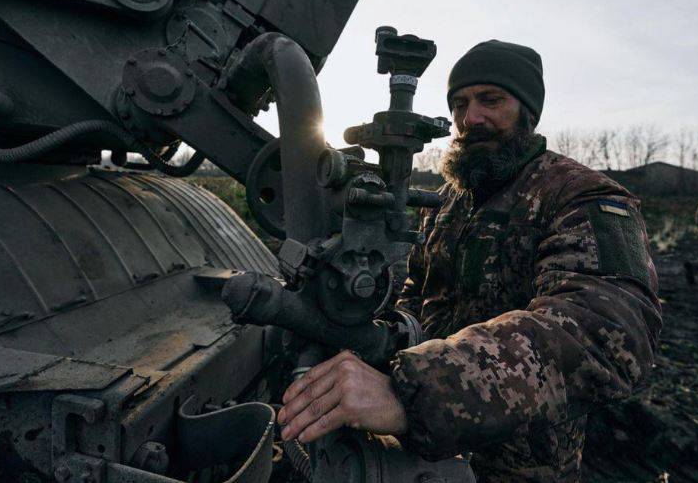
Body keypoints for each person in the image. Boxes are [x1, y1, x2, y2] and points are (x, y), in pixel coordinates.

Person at [277, 40, 662, 481]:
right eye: (460, 104)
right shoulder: (450, 202)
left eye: (491, 100)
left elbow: (610, 332)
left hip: (519, 466)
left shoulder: (581, 195)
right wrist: (375, 337)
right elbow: (418, 297)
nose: (471, 118)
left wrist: (414, 392)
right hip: (420, 455)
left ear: (528, 111)